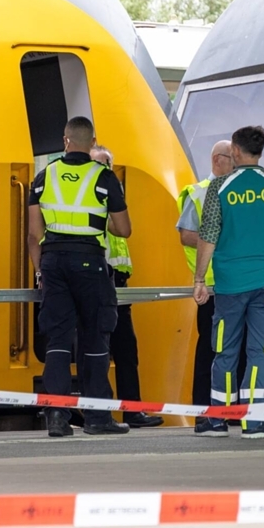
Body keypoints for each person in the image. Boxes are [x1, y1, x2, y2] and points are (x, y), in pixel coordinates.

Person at [192, 126, 264, 439]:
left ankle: (218, 421)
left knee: (224, 349)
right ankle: (254, 421)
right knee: (260, 351)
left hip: (230, 283)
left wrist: (199, 278)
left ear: (235, 152)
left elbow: (208, 234)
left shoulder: (221, 188)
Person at [28, 117, 131, 438]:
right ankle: (97, 416)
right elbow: (124, 229)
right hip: (89, 263)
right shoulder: (104, 177)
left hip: (54, 262)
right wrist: (100, 222)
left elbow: (34, 233)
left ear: (65, 139)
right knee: (95, 336)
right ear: (92, 142)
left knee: (58, 340)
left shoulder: (44, 177)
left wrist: (40, 270)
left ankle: (57, 417)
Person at [90, 145, 164, 429]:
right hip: (98, 279)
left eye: (107, 164)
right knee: (98, 349)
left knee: (126, 351)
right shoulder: (92, 197)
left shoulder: (113, 194)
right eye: (98, 163)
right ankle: (101, 413)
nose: (104, 169)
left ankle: (132, 410)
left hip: (118, 282)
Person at [176, 141, 235, 412]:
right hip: (210, 288)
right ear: (217, 160)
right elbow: (186, 235)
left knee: (234, 348)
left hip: (235, 283)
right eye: (234, 159)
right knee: (210, 349)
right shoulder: (198, 193)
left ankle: (229, 409)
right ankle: (203, 409)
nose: (238, 165)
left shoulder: (236, 191)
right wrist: (219, 239)